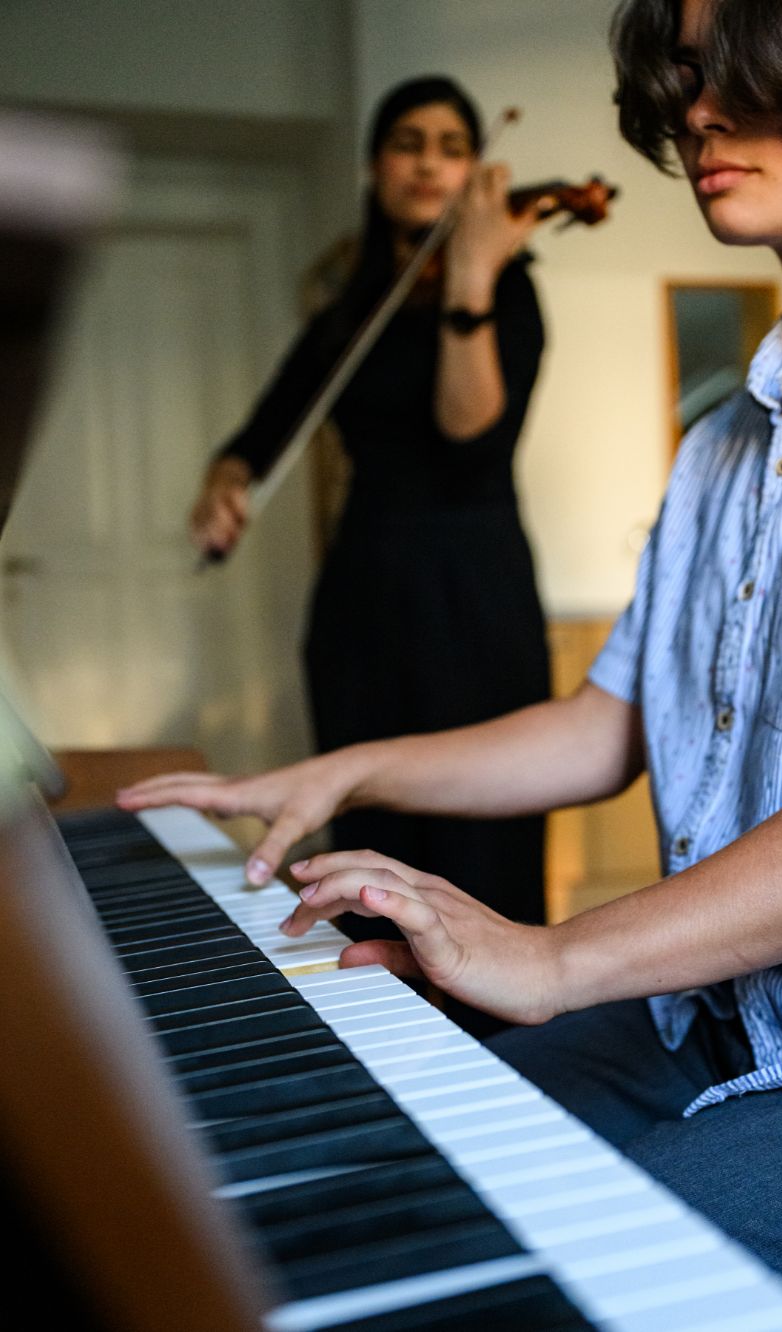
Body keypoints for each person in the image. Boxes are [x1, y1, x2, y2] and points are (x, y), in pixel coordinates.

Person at [119, 0, 782, 1326]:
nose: (703, 109)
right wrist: (342, 771)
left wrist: (554, 957)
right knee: (383, 1187)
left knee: (542, 1291)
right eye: (689, 70)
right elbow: (607, 722)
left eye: (754, 63)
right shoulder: (722, 443)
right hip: (706, 1015)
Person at [189, 76, 552, 945]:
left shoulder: (508, 289)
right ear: (374, 166)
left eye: (451, 148)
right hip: (363, 591)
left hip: (471, 590)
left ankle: (489, 1015)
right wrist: (227, 478)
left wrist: (470, 272)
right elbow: (266, 430)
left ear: (475, 172)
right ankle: (380, 1014)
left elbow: (470, 440)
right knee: (369, 837)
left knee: (480, 845)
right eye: (407, 143)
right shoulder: (349, 308)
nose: (427, 164)